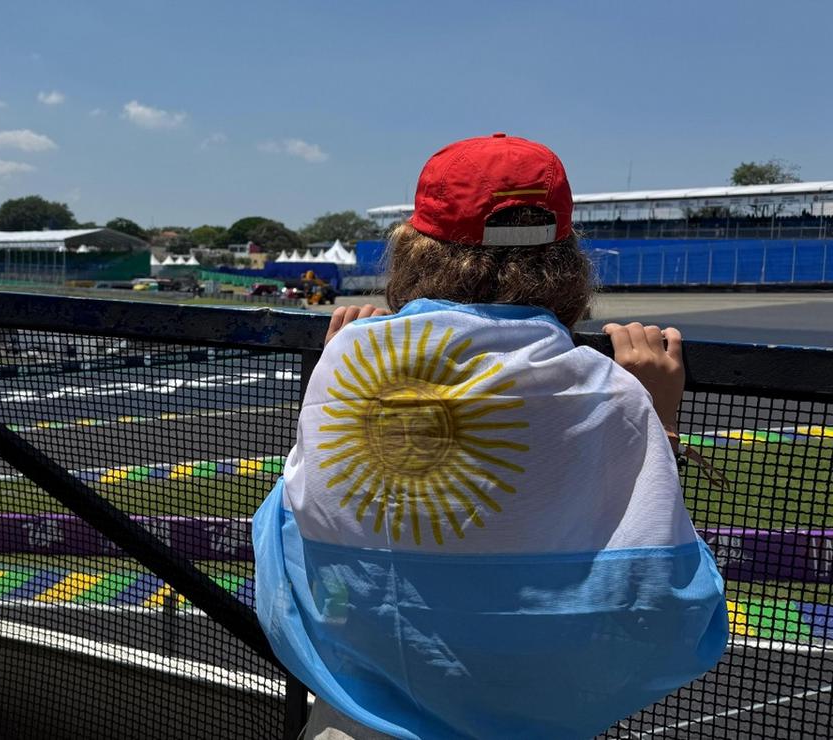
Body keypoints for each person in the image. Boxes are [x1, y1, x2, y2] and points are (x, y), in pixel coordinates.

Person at [253, 134, 727, 739]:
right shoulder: (607, 387)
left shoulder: (349, 358)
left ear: (415, 248)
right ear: (566, 256)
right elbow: (658, 598)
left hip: (351, 720)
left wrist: (342, 367)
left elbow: (291, 521)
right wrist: (655, 417)